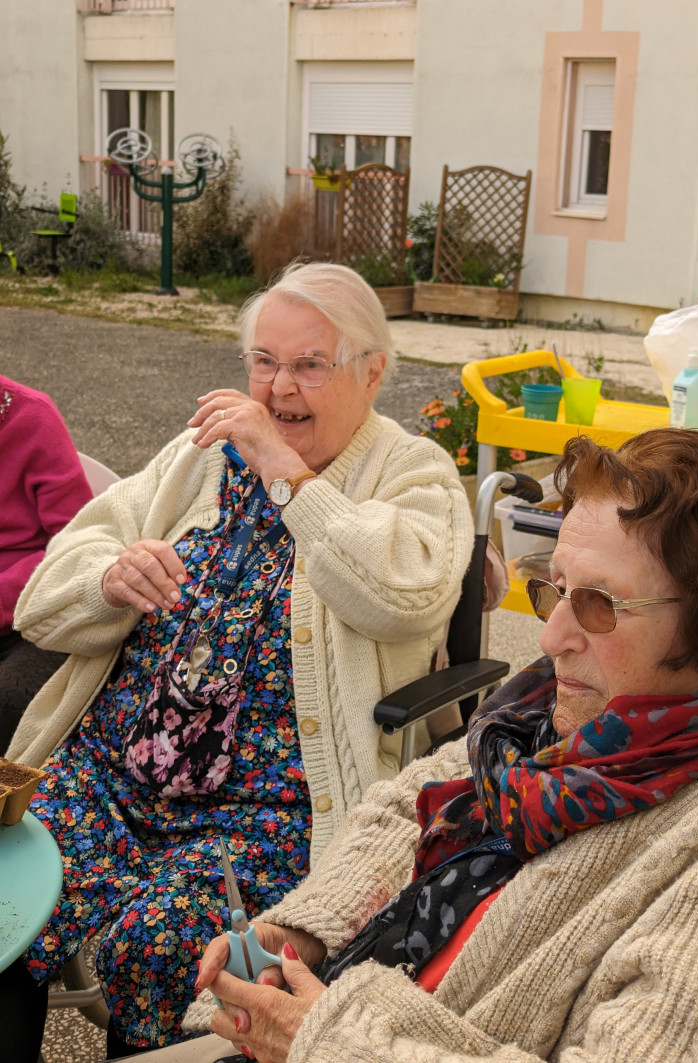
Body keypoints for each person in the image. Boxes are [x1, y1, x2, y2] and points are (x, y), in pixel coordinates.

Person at [188, 427, 698, 1063]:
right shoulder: (546, 714)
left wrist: (328, 1042)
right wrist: (303, 930)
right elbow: (407, 807)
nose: (551, 637)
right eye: (554, 589)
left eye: (599, 605)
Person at [2, 262, 474, 1060]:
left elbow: (405, 595)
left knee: (156, 946)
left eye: (308, 365)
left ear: (372, 372)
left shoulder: (412, 471)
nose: (278, 386)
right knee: (6, 908)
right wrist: (109, 578)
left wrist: (286, 476)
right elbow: (45, 594)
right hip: (112, 777)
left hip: (265, 811)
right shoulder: (201, 457)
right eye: (263, 360)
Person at [0, 373, 92, 752]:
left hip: (32, 611)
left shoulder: (32, 418)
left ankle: (12, 803)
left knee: (10, 700)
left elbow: (79, 542)